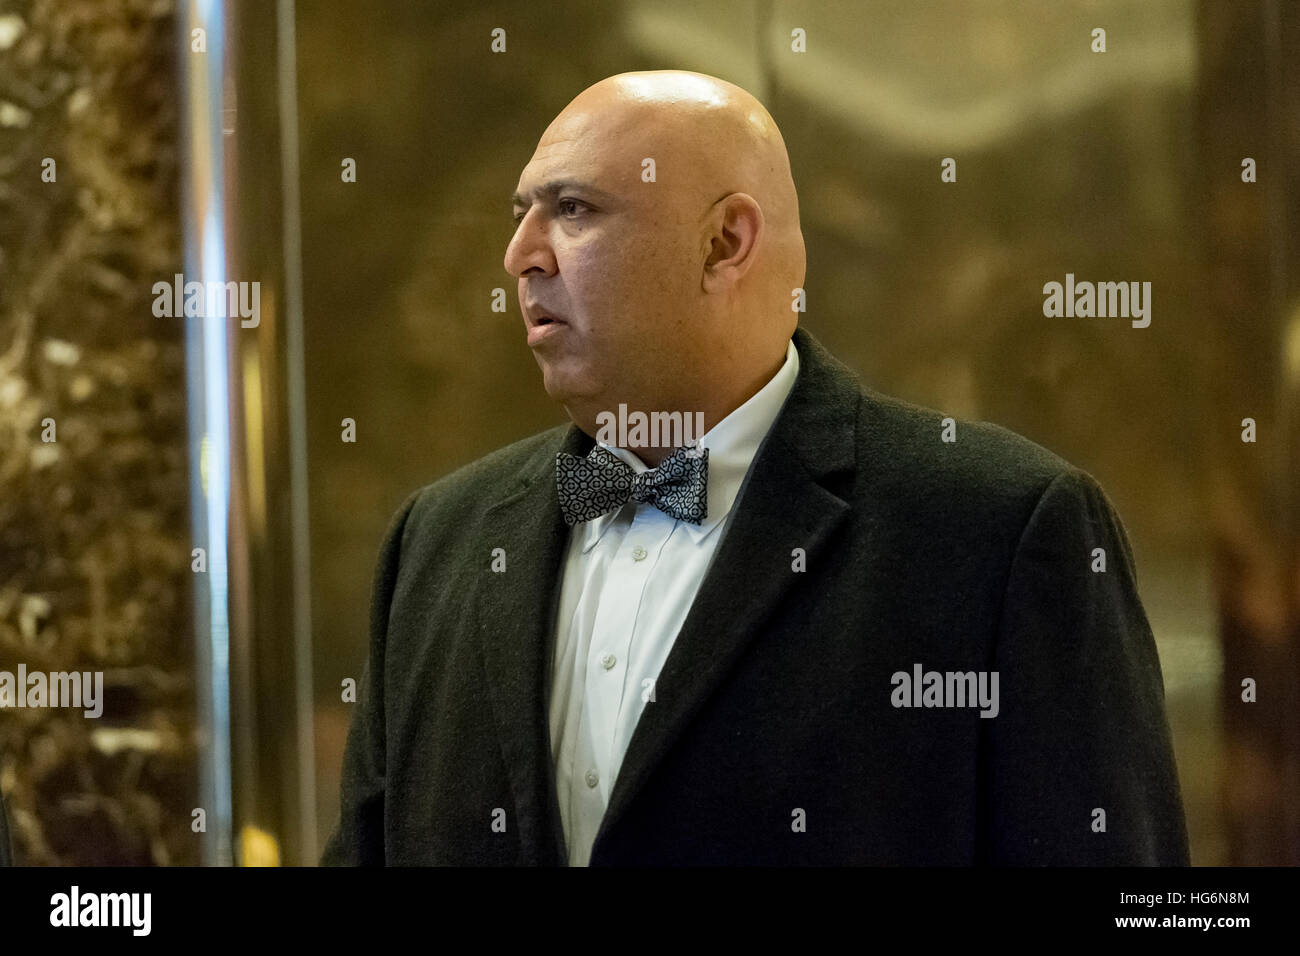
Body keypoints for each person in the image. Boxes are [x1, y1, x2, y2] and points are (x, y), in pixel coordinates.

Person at [322, 70, 1189, 866]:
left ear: (724, 244)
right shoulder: (438, 539)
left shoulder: (999, 532)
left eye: (574, 209)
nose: (520, 256)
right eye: (521, 213)